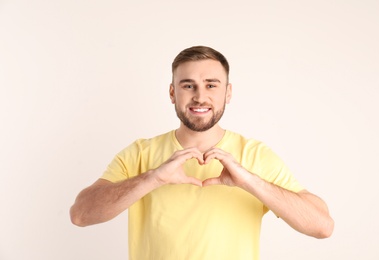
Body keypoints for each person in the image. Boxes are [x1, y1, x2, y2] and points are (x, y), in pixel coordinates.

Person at [70, 46, 334, 259]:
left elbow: (322, 226)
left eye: (211, 85)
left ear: (227, 93)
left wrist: (248, 181)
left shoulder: (255, 155)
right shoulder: (139, 153)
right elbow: (80, 214)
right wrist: (154, 178)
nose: (199, 97)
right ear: (173, 93)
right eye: (188, 86)